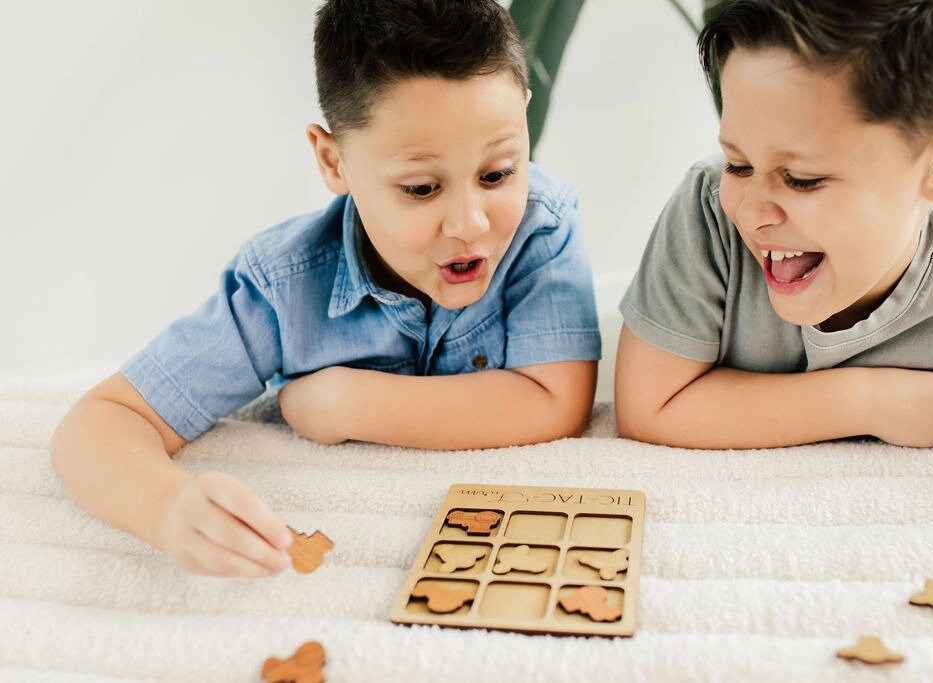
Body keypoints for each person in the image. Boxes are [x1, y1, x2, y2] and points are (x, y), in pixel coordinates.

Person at [50, 0, 601, 578]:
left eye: (498, 174)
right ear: (332, 160)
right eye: (420, 188)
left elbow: (557, 401)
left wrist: (345, 403)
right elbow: (100, 421)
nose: (470, 224)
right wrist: (165, 508)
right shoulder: (281, 285)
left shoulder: (543, 224)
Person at [616, 0, 933, 449]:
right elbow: (649, 408)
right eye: (738, 165)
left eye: (802, 180)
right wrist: (874, 401)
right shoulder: (710, 213)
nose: (750, 213)